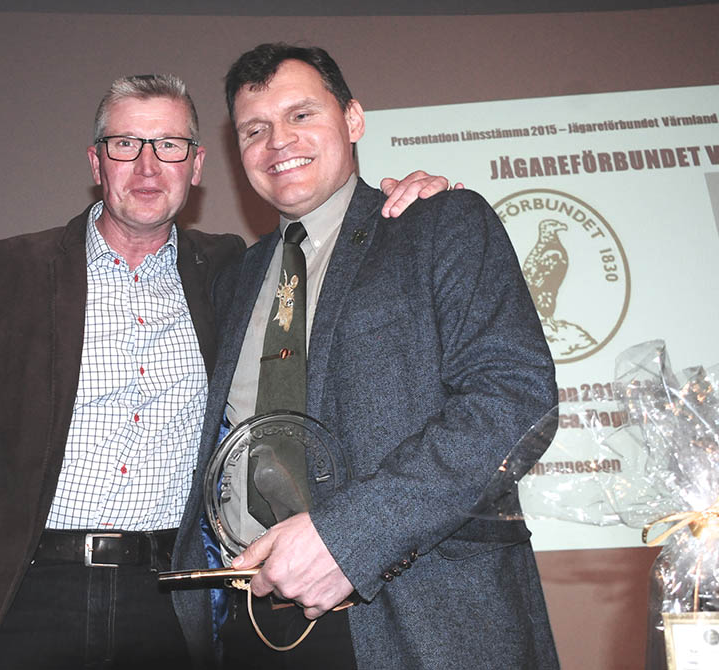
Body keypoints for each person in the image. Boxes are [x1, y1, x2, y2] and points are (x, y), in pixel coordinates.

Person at [0, 72, 449, 669]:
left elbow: (331, 265)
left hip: (170, 600)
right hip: (26, 590)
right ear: (95, 161)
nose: (147, 167)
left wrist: (401, 208)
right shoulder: (10, 270)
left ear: (197, 165)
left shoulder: (232, 270)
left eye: (169, 146)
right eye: (125, 145)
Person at [170, 44, 559, 670]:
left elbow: (513, 397)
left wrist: (347, 539)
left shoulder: (438, 223)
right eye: (254, 130)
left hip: (420, 620)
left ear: (353, 119)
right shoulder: (234, 278)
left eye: (301, 115)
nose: (278, 141)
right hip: (249, 620)